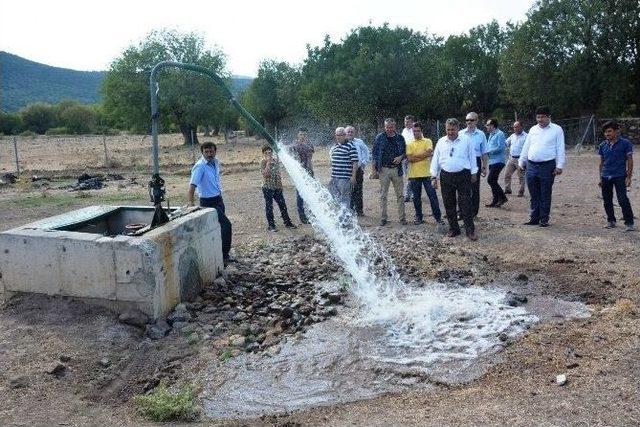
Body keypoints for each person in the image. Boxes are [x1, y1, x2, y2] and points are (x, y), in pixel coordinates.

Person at [430, 118, 478, 240]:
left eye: (453, 129)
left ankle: (470, 231)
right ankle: (454, 229)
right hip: (446, 176)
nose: (450, 132)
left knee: (465, 203)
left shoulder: (466, 140)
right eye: (448, 129)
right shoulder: (441, 141)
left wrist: (474, 173)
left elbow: (472, 157)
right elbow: (435, 159)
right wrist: (433, 176)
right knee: (448, 203)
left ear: (457, 128)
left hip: (463, 175)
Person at [518, 106, 565, 227]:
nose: (540, 119)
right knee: (533, 193)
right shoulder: (533, 129)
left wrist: (559, 165)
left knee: (545, 193)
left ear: (549, 117)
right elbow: (526, 146)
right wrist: (521, 161)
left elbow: (560, 148)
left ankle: (544, 219)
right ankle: (534, 218)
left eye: (543, 117)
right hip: (531, 165)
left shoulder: (557, 130)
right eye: (538, 117)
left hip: (547, 166)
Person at [188, 142, 233, 264]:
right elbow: (192, 186)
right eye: (206, 152)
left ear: (215, 151)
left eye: (211, 151)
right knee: (226, 226)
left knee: (218, 227)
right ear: (202, 152)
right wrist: (191, 204)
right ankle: (224, 255)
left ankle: (218, 253)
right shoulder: (200, 166)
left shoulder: (215, 162)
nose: (209, 154)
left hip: (218, 199)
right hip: (208, 202)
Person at [598, 120, 634, 231]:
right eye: (605, 132)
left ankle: (629, 223)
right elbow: (601, 162)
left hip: (619, 175)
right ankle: (611, 221)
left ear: (616, 131)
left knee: (622, 199)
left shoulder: (625, 143)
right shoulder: (603, 145)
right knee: (607, 199)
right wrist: (600, 178)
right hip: (606, 176)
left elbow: (630, 160)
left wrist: (628, 177)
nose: (607, 134)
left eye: (609, 131)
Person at [406, 121, 443, 225]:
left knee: (433, 196)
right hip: (414, 175)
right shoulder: (409, 143)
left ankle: (438, 217)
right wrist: (424, 155)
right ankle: (419, 217)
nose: (416, 133)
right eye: (414, 131)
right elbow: (409, 159)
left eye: (418, 131)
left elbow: (429, 152)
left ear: (421, 131)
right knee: (416, 198)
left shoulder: (428, 141)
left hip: (427, 174)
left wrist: (415, 157)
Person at [372, 118, 407, 226]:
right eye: (387, 127)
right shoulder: (379, 138)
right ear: (384, 127)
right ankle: (383, 218)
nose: (389, 129)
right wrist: (374, 171)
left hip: (397, 170)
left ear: (394, 126)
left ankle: (402, 218)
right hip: (384, 169)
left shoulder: (400, 138)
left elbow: (405, 152)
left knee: (400, 195)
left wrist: (400, 157)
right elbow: (374, 154)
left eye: (391, 127)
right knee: (383, 195)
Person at [260, 145, 297, 232]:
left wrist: (280, 186)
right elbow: (265, 175)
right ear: (263, 154)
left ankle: (287, 223)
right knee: (269, 207)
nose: (268, 154)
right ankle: (271, 225)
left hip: (277, 187)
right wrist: (268, 163)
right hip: (267, 188)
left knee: (282, 205)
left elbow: (278, 174)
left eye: (270, 152)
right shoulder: (263, 162)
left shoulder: (275, 161)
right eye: (266, 153)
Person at [459, 112, 488, 217]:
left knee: (474, 188)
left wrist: (484, 167)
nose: (469, 122)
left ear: (476, 121)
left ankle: (473, 212)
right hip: (463, 161)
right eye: (467, 120)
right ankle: (461, 211)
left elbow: (484, 152)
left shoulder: (481, 134)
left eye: (471, 120)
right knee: (462, 188)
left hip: (476, 161)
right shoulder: (461, 133)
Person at [329, 127, 359, 209]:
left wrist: (353, 177)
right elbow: (332, 162)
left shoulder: (351, 146)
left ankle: (345, 219)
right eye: (337, 135)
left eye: (341, 135)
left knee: (345, 200)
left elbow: (355, 162)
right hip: (334, 177)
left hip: (345, 178)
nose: (338, 137)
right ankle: (339, 218)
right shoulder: (334, 147)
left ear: (345, 135)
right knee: (335, 199)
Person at [289, 127, 314, 224]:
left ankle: (312, 214)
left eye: (304, 135)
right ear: (297, 135)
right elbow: (291, 157)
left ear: (307, 135)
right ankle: (302, 216)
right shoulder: (293, 145)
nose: (302, 136)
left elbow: (310, 158)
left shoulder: (309, 145)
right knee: (300, 195)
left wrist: (310, 172)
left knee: (311, 194)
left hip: (309, 172)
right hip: (299, 173)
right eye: (300, 134)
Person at [346, 126, 370, 216]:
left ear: (354, 133)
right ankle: (350, 210)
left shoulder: (359, 142)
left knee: (358, 190)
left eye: (351, 132)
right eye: (348, 132)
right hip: (347, 170)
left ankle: (359, 211)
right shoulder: (343, 143)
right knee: (349, 191)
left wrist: (363, 163)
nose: (350, 133)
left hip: (359, 169)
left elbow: (366, 151)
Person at [484, 118, 508, 207]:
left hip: (498, 161)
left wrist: (489, 151)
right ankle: (495, 200)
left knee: (490, 180)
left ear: (492, 125)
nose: (486, 126)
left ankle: (502, 197)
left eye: (487, 125)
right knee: (493, 180)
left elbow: (501, 147)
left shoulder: (500, 134)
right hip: (492, 161)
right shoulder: (491, 135)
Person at [504, 121, 527, 197]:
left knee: (521, 176)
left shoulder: (526, 136)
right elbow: (506, 143)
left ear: (521, 127)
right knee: (507, 174)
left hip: (520, 159)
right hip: (511, 158)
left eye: (517, 126)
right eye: (514, 127)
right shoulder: (512, 136)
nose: (515, 128)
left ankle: (521, 191)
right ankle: (507, 189)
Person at [401, 115, 416, 202]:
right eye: (405, 122)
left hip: (413, 157)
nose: (406, 123)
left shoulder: (415, 130)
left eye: (408, 122)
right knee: (408, 176)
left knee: (412, 176)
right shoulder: (404, 131)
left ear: (412, 122)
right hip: (405, 157)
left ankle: (409, 195)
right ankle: (412, 194)